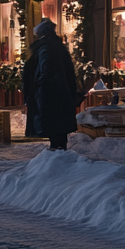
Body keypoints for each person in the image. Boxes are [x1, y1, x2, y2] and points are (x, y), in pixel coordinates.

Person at [24, 18, 81, 150]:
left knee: (54, 128)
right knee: (58, 130)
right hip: (59, 94)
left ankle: (57, 159)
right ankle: (58, 154)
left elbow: (46, 70)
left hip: (50, 95)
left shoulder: (46, 48)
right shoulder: (57, 47)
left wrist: (39, 87)